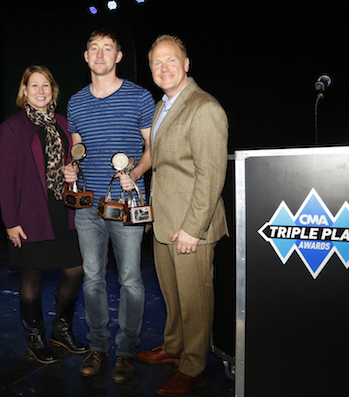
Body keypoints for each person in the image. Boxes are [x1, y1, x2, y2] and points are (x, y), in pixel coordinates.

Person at [136, 35, 229, 396]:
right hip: (164, 221)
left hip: (191, 227)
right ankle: (174, 347)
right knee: (173, 297)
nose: (163, 69)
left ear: (187, 64)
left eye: (170, 60)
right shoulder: (164, 106)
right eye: (156, 63)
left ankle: (194, 368)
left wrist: (193, 228)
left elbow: (211, 175)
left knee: (195, 301)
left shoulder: (204, 108)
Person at [65, 29, 155, 383]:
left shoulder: (140, 97)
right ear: (85, 57)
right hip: (88, 206)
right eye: (93, 49)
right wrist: (72, 170)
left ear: (118, 56)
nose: (100, 54)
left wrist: (135, 172)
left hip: (128, 203)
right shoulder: (75, 102)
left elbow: (153, 149)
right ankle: (98, 346)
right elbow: (77, 149)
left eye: (108, 48)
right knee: (92, 278)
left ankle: (128, 351)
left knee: (131, 280)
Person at [0, 65, 88, 365]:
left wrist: (71, 171)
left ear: (53, 91)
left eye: (45, 85)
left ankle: (61, 331)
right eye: (33, 85)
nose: (40, 90)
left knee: (76, 268)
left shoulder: (63, 123)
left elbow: (71, 165)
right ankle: (35, 337)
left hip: (65, 211)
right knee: (32, 271)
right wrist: (10, 221)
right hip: (31, 213)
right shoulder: (12, 126)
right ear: (24, 91)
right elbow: (4, 177)